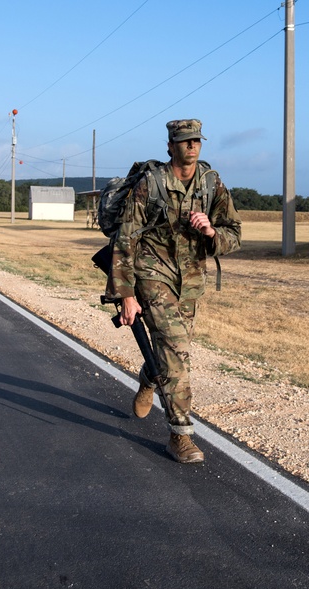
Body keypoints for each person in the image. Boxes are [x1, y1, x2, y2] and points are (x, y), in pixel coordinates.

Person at [111, 119, 242, 464]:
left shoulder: (211, 183)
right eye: (183, 141)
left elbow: (235, 233)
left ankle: (149, 375)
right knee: (178, 353)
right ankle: (180, 435)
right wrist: (125, 294)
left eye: (196, 140)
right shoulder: (151, 183)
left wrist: (212, 232)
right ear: (170, 146)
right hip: (153, 274)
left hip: (191, 281)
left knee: (172, 353)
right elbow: (126, 238)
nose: (191, 146)